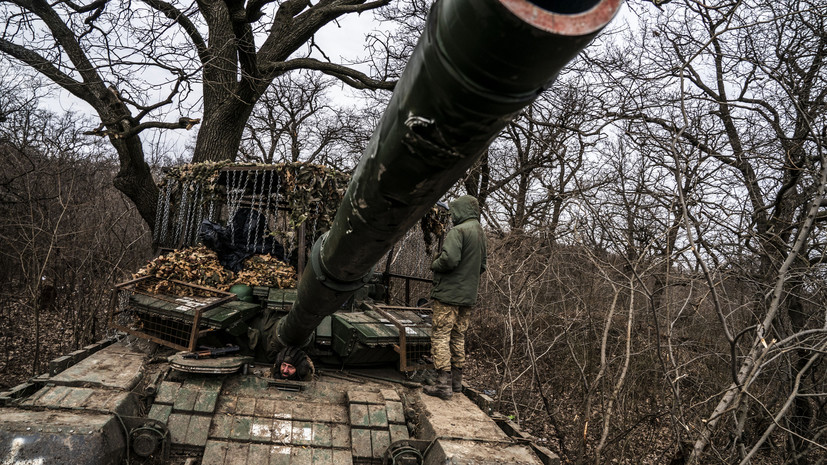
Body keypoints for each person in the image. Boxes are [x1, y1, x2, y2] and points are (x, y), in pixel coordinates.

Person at [423, 195, 487, 400]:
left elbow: (449, 260)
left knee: (441, 335)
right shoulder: (479, 232)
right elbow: (482, 266)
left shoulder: (457, 231)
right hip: (467, 297)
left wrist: (435, 263)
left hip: (449, 295)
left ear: (461, 211)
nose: (452, 216)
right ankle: (456, 383)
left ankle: (442, 385)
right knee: (458, 336)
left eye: (454, 212)